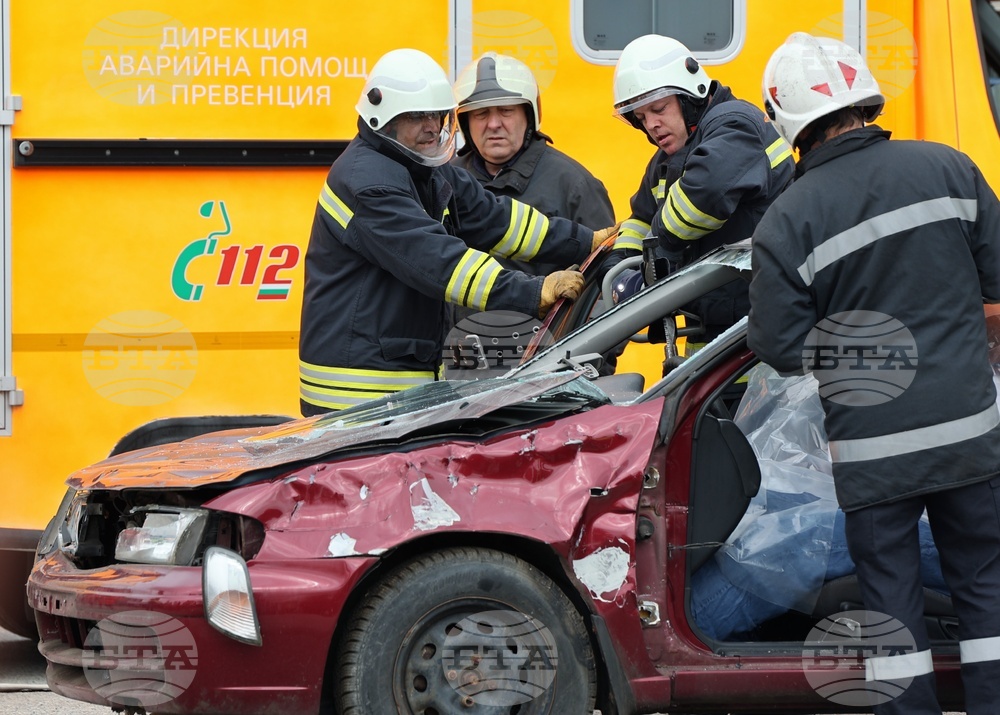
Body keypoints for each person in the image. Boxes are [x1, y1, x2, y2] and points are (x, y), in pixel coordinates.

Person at [748, 32, 1000, 714]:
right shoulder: (950, 167)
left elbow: (777, 344)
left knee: (893, 611)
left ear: (786, 120)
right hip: (971, 436)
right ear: (865, 95)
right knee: (986, 591)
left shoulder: (786, 220)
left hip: (874, 455)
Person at [299, 48, 614, 416]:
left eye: (437, 114)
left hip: (399, 387)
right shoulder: (368, 181)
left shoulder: (424, 168)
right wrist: (533, 291)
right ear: (382, 120)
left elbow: (500, 221)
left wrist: (585, 241)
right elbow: (438, 262)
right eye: (418, 116)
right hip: (356, 396)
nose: (432, 126)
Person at [691, 366, 948, 642]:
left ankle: (687, 625)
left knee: (797, 539)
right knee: (769, 502)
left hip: (961, 535)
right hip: (943, 513)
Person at [607, 34, 794, 348]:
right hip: (711, 330)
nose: (651, 124)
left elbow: (703, 197)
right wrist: (617, 267)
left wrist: (653, 266)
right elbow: (640, 219)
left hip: (758, 331)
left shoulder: (734, 124)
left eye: (658, 108)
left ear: (690, 97)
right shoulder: (665, 160)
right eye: (641, 117)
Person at [452, 51, 616, 276]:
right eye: (481, 113)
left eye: (506, 111)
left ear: (529, 116)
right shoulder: (447, 180)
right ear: (465, 122)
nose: (493, 124)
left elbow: (604, 282)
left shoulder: (575, 186)